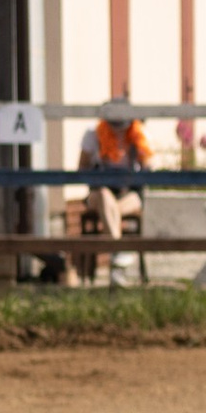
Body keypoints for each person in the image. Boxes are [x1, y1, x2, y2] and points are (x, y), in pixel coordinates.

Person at [69, 99, 152, 284]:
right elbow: (82, 168)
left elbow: (147, 171)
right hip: (99, 193)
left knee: (117, 204)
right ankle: (119, 256)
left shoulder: (138, 135)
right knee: (106, 198)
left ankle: (116, 256)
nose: (119, 130)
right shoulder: (94, 134)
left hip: (128, 193)